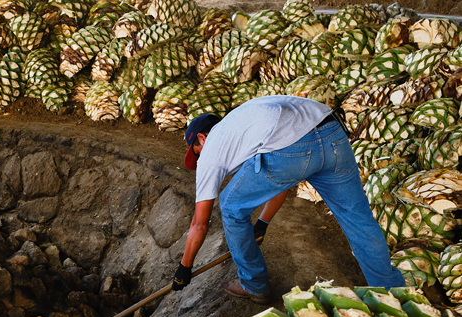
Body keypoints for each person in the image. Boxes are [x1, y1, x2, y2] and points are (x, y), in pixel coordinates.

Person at [171, 95, 405, 303]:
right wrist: (262, 223)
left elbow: (199, 224)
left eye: (196, 151)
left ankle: (253, 284)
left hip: (293, 149)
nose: (199, 158)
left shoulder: (212, 148)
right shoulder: (244, 122)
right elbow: (280, 182)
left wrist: (185, 267)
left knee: (230, 206)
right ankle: (392, 295)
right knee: (358, 218)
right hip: (333, 132)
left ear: (201, 138)